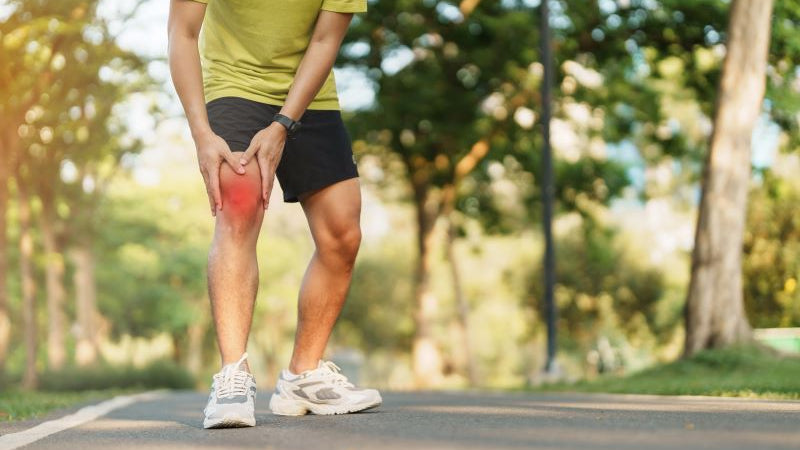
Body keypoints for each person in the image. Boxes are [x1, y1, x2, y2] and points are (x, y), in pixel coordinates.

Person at [167, 0, 381, 429]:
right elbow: (182, 33)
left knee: (343, 232)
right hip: (233, 84)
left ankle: (303, 373)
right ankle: (233, 374)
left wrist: (283, 124)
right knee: (239, 204)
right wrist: (202, 135)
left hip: (308, 92)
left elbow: (325, 39)